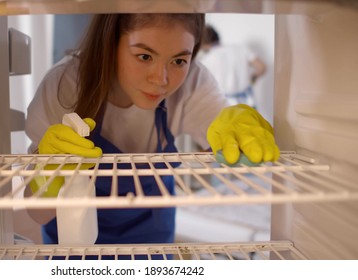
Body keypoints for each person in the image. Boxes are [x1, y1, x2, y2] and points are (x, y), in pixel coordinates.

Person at [24, 14, 279, 259]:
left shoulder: (192, 83)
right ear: (111, 43)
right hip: (76, 261)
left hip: (154, 256)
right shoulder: (67, 84)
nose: (161, 79)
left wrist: (235, 122)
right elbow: (37, 214)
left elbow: (222, 126)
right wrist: (49, 175)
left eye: (178, 61)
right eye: (144, 56)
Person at [196, 25, 266, 108]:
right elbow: (261, 67)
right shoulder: (241, 49)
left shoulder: (206, 59)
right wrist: (252, 80)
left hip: (224, 105)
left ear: (202, 43)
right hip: (247, 102)